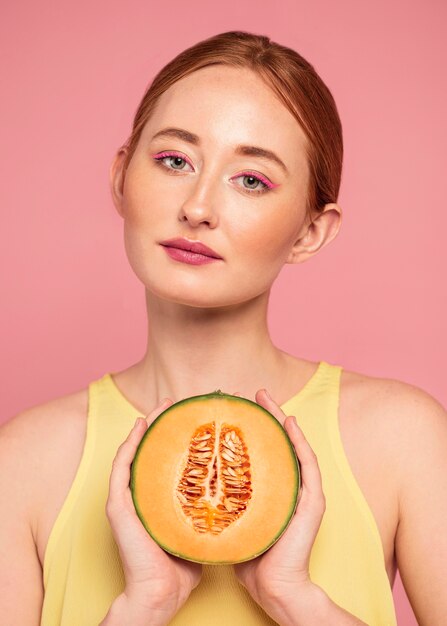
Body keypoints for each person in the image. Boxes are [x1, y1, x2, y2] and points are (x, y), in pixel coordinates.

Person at [1, 30, 446, 626]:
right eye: (174, 161)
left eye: (252, 180)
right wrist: (143, 608)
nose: (199, 207)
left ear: (311, 231)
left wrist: (295, 597)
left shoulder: (405, 439)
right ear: (121, 177)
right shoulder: (22, 462)